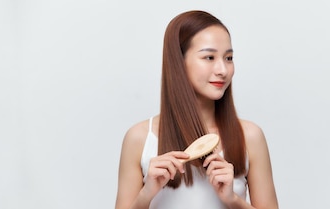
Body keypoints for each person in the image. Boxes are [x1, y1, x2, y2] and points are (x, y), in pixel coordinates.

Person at [114, 10, 279, 209]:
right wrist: (146, 194)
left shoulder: (250, 136)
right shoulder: (140, 137)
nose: (223, 70)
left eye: (228, 58)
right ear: (178, 62)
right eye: (209, 57)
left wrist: (233, 200)